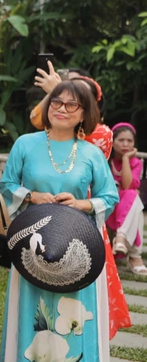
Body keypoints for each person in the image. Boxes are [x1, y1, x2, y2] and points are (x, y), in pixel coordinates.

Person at [0, 80, 118, 362]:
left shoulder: (92, 152)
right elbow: (6, 185)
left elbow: (109, 197)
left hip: (77, 246)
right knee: (32, 311)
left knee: (74, 316)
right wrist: (31, 196)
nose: (61, 109)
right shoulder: (26, 144)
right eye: (56, 103)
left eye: (71, 105)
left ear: (84, 114)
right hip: (32, 244)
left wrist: (82, 204)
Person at [29, 64, 130, 336]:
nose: (65, 102)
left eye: (75, 99)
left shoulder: (103, 133)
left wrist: (55, 94)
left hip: (83, 215)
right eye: (62, 96)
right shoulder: (36, 139)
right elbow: (37, 120)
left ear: (87, 107)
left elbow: (81, 137)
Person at [107, 123, 146, 274]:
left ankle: (122, 237)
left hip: (126, 208)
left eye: (129, 141)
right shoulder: (104, 160)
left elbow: (127, 185)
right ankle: (135, 256)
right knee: (133, 198)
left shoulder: (135, 163)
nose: (125, 144)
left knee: (132, 195)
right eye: (121, 140)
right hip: (109, 207)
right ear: (112, 141)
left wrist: (125, 159)